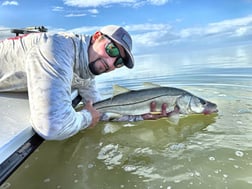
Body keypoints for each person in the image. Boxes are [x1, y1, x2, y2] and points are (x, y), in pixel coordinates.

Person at [0, 25, 166, 140]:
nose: (110, 63)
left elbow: (101, 108)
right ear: (96, 37)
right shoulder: (56, 48)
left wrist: (139, 116)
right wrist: (87, 117)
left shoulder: (86, 72)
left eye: (119, 62)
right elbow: (52, 127)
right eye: (112, 49)